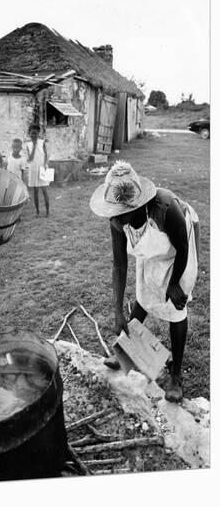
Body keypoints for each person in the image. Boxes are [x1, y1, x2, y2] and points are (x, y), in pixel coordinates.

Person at [89, 161, 199, 403]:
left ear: (139, 204)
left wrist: (173, 284)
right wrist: (117, 310)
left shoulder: (166, 208)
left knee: (175, 307)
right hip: (150, 250)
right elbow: (119, 265)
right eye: (114, 213)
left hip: (177, 250)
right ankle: (125, 351)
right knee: (144, 295)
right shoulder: (117, 220)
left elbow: (182, 248)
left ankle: (176, 375)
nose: (118, 218)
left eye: (122, 213)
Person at [26, 124, 50, 217]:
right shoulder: (28, 145)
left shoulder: (42, 142)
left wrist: (44, 165)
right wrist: (34, 146)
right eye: (32, 133)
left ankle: (47, 211)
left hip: (42, 168)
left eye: (35, 133)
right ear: (29, 133)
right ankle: (37, 211)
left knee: (44, 190)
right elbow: (30, 158)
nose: (33, 135)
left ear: (38, 133)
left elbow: (46, 155)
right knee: (35, 191)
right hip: (33, 169)